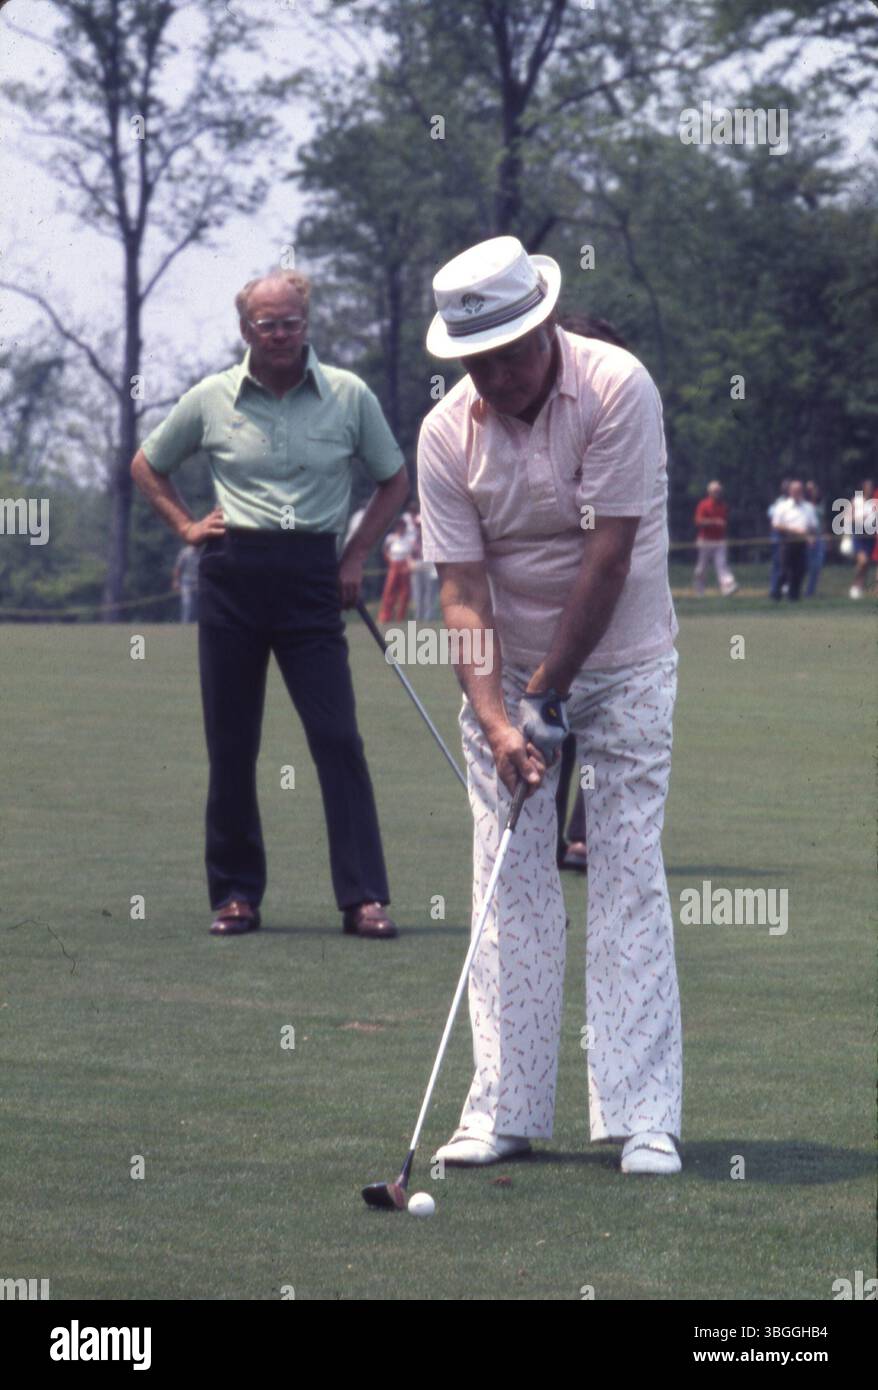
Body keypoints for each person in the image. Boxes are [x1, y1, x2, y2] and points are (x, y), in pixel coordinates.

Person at [418, 235, 683, 1176]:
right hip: (510, 680)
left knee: (625, 869)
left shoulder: (619, 386)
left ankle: (642, 1116)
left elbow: (610, 553)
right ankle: (504, 1111)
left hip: (625, 661)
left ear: (546, 326)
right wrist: (498, 720)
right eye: (478, 361)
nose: (500, 374)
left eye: (513, 353)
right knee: (508, 882)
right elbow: (462, 591)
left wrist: (549, 694)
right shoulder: (447, 433)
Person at [131, 269, 409, 940]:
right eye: (266, 324)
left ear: (306, 325)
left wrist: (354, 555)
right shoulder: (212, 397)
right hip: (233, 573)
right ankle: (234, 895)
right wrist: (188, 527)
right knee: (232, 744)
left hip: (314, 576)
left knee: (337, 738)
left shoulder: (348, 395)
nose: (280, 334)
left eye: (291, 322)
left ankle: (364, 898)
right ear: (245, 330)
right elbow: (147, 464)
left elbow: (395, 480)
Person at [771, 478, 817, 601]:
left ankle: (794, 597)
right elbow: (776, 525)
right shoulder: (782, 506)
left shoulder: (808, 507)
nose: (797, 492)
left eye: (799, 490)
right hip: (787, 541)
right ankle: (776, 594)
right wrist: (794, 530)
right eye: (794, 490)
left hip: (802, 543)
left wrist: (811, 537)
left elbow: (813, 527)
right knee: (784, 570)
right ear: (790, 491)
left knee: (800, 570)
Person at [692, 481, 737, 596]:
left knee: (722, 565)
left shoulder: (723, 506)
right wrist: (714, 522)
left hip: (719, 540)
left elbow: (725, 522)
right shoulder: (703, 504)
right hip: (705, 540)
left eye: (719, 491)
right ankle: (699, 590)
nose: (718, 493)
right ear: (710, 492)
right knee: (701, 567)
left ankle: (727, 589)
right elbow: (698, 521)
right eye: (715, 491)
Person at [378, 515, 414, 622]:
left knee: (405, 592)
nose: (401, 528)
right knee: (389, 590)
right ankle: (385, 616)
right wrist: (390, 560)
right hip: (394, 564)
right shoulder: (391, 538)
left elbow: (410, 553)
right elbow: (385, 550)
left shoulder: (408, 539)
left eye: (402, 526)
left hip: (404, 564)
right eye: (399, 526)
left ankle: (400, 617)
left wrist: (408, 564)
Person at [409, 514, 440, 621]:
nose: (419, 526)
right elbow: (410, 552)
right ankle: (418, 615)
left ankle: (429, 616)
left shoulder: (432, 535)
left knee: (430, 592)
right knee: (417, 592)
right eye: (418, 524)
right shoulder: (413, 536)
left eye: (420, 524)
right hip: (417, 563)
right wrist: (410, 562)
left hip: (429, 563)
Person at [849, 479, 876, 600]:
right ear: (863, 488)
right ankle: (855, 585)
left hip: (870, 536)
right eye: (868, 487)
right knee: (862, 561)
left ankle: (859, 586)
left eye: (871, 487)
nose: (870, 490)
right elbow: (848, 518)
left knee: (866, 564)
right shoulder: (856, 501)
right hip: (859, 535)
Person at [767, 478, 790, 599]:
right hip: (778, 536)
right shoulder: (778, 502)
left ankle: (787, 588)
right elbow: (772, 518)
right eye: (785, 487)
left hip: (791, 536)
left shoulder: (796, 502)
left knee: (790, 564)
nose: (786, 489)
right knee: (778, 563)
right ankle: (774, 589)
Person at [172, 541, 201, 622]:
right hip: (186, 582)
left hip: (198, 582)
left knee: (198, 604)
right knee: (187, 603)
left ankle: (197, 623)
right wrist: (176, 581)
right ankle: (185, 623)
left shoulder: (202, 554)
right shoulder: (185, 553)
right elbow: (178, 568)